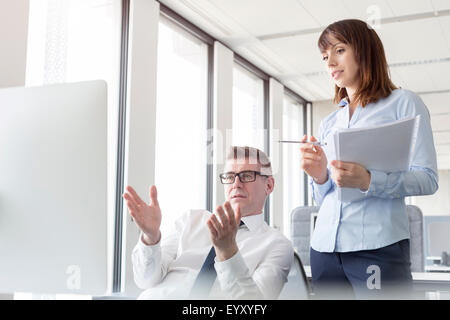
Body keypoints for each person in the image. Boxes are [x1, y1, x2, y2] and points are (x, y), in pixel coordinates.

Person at [299, 19, 438, 299]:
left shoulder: (404, 103)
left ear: (364, 51)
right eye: (325, 56)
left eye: (339, 50)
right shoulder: (329, 122)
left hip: (377, 246)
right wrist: (319, 176)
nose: (330, 63)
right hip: (324, 249)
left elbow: (428, 178)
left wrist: (369, 181)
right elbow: (325, 198)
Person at [123, 146, 293, 299]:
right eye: (229, 176)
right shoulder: (191, 220)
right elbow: (145, 280)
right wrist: (151, 239)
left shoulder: (277, 245)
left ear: (269, 185)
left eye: (247, 176)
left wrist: (228, 252)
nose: (236, 184)